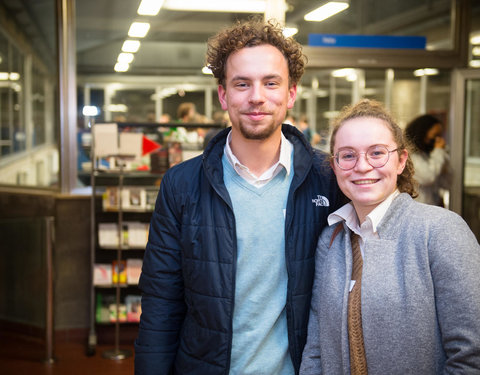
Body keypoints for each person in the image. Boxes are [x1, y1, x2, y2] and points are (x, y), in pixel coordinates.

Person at [134, 18, 342, 375]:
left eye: (271, 82)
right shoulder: (181, 184)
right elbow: (161, 303)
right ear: (223, 93)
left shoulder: (330, 179)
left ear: (291, 93)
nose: (256, 97)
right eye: (242, 83)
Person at [300, 99, 480, 374]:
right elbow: (316, 348)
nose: (362, 166)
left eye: (377, 153)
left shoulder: (440, 231)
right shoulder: (331, 239)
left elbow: (471, 356)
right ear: (334, 166)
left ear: (401, 161)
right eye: (348, 155)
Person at [404, 114, 452, 206]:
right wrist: (438, 151)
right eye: (435, 135)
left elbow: (447, 184)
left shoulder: (429, 155)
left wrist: (443, 162)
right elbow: (428, 177)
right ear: (423, 132)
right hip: (417, 207)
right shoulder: (411, 156)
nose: (438, 139)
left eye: (440, 135)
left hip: (432, 206)